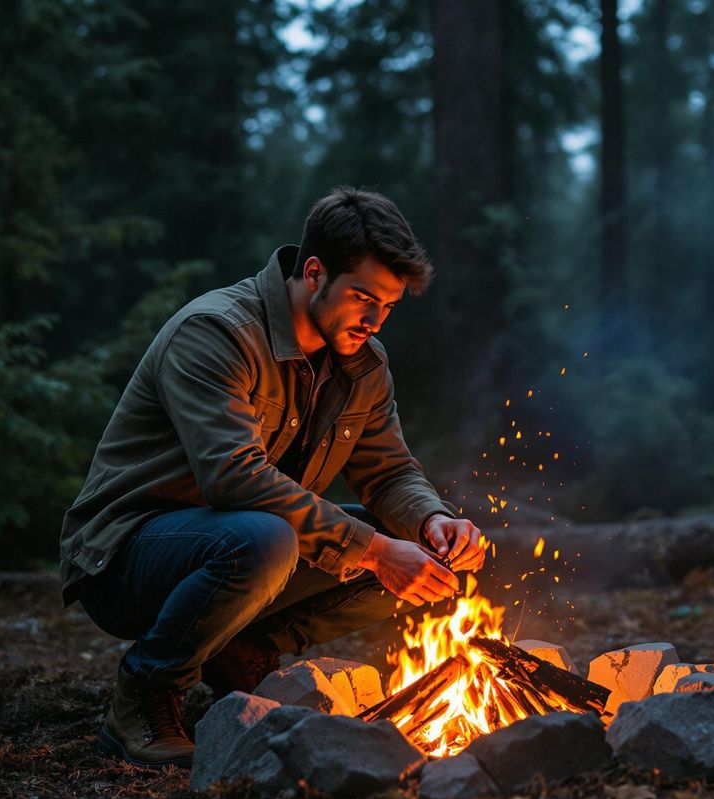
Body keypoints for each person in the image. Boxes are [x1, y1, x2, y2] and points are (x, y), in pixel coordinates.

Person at [58, 187, 484, 768]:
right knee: (267, 539)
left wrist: (433, 520)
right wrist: (375, 551)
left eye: (388, 305)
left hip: (246, 547)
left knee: (419, 553)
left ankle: (240, 649)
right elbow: (234, 480)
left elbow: (387, 472)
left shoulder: (364, 363)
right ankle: (146, 691)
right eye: (362, 297)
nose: (374, 319)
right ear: (314, 272)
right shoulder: (216, 333)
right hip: (128, 554)